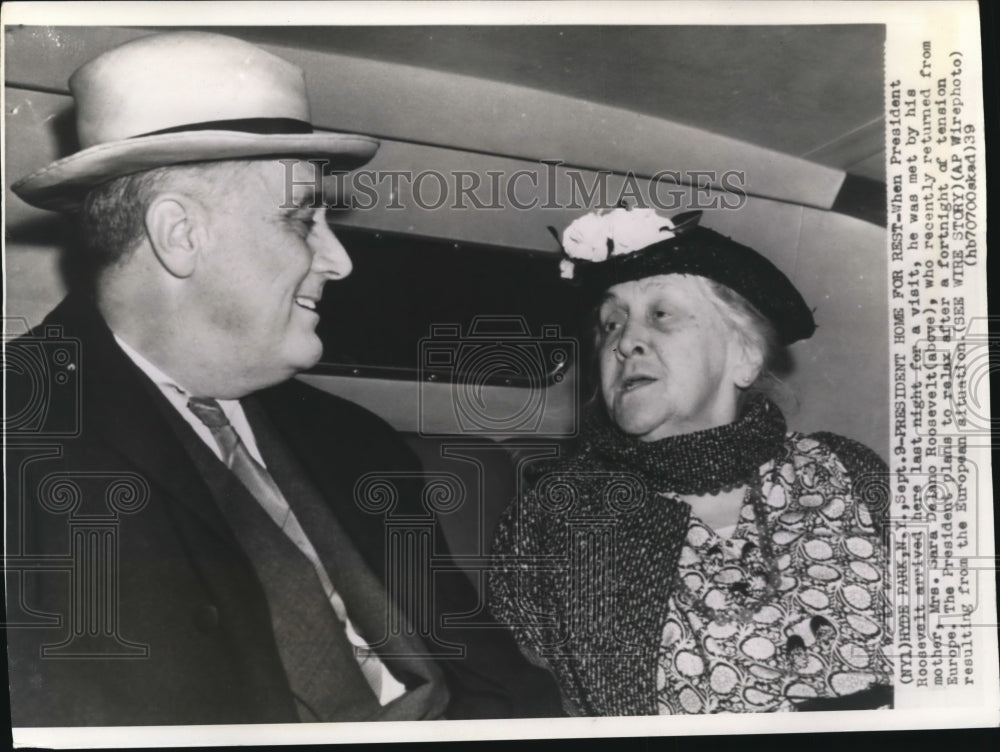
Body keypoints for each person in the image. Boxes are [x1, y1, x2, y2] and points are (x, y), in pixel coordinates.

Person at [5, 31, 562, 725]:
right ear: (180, 235)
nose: (339, 260)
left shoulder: (358, 441)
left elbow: (510, 692)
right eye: (302, 219)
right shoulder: (18, 440)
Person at [488, 206, 892, 716]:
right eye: (609, 323)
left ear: (743, 355)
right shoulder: (556, 513)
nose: (623, 342)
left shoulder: (844, 466)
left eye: (661, 315)